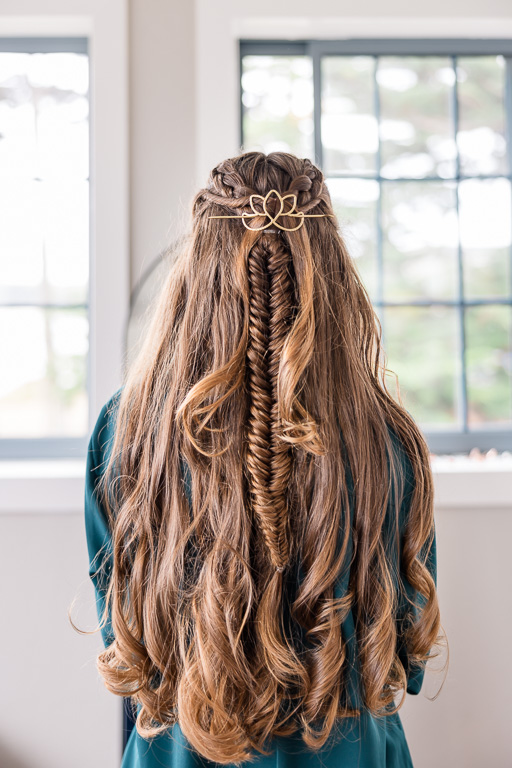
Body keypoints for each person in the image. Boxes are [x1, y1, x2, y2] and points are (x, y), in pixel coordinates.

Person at [82, 151, 446, 767]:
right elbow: (406, 648)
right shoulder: (389, 436)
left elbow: (125, 633)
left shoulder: (128, 427)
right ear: (331, 269)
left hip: (181, 750)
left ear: (198, 266)